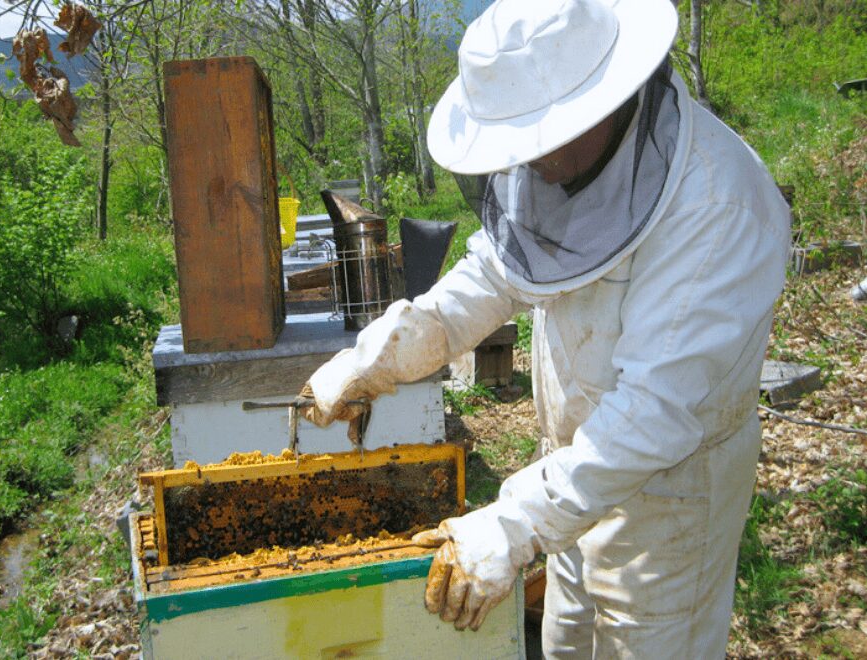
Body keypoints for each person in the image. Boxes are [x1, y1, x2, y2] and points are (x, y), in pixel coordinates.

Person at [302, 0, 791, 656]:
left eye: (537, 138)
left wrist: (514, 523)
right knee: (564, 645)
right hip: (569, 474)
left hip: (671, 497)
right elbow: (494, 274)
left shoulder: (716, 206)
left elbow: (653, 415)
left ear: (602, 97)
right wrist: (375, 360)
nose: (526, 161)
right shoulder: (565, 162)